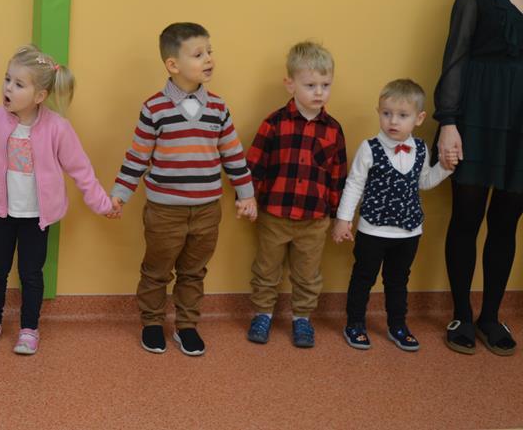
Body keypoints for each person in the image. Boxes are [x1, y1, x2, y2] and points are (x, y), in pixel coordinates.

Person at [0, 45, 119, 355]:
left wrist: (103, 204)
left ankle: (29, 328)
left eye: (18, 84)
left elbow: (81, 170)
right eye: (7, 79)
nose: (8, 88)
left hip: (36, 218)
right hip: (1, 214)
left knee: (31, 274)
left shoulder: (58, 128)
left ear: (39, 95)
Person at [110, 22, 254, 357]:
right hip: (164, 211)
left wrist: (246, 193)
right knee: (157, 271)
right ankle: (152, 322)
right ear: (173, 65)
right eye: (199, 54)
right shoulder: (154, 108)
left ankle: (187, 325)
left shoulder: (218, 107)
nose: (209, 59)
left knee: (193, 272)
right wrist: (120, 193)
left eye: (210, 52)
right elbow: (137, 156)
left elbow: (233, 154)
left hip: (207, 210)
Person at [436, 0, 523, 356]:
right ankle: (461, 315)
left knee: (506, 221)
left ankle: (490, 316)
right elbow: (455, 57)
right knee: (466, 217)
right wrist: (449, 123)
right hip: (476, 116)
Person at [333, 79, 453, 351]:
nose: (393, 121)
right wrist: (343, 219)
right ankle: (355, 323)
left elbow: (423, 182)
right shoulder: (369, 148)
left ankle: (397, 324)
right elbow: (354, 184)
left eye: (402, 115)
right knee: (363, 277)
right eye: (386, 113)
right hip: (372, 229)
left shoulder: (421, 149)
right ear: (379, 112)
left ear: (419, 118)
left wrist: (445, 168)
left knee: (398, 281)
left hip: (409, 232)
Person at [244, 41, 347, 349]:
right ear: (290, 84)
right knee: (266, 269)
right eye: (310, 85)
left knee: (308, 274)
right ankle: (262, 313)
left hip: (314, 220)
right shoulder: (274, 123)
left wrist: (337, 216)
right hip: (274, 215)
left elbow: (337, 176)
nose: (319, 92)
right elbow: (255, 164)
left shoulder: (333, 130)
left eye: (325, 85)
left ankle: (302, 317)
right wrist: (248, 197)